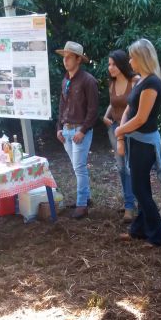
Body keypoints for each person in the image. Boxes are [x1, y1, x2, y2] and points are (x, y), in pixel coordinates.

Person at [114, 39, 161, 247]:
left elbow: (141, 118)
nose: (129, 61)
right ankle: (139, 230)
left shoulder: (152, 83)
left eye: (132, 57)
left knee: (140, 189)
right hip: (136, 141)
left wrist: (120, 130)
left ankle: (158, 236)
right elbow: (129, 109)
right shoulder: (140, 80)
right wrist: (121, 133)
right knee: (140, 187)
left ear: (142, 58)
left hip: (145, 144)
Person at [55, 41, 99, 219]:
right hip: (66, 130)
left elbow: (93, 110)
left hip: (80, 130)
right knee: (77, 167)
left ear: (78, 59)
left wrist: (83, 130)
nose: (65, 60)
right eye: (64, 57)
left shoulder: (88, 80)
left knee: (79, 168)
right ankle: (85, 198)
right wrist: (59, 128)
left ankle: (82, 204)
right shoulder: (65, 79)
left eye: (69, 57)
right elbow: (62, 106)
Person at [103, 50, 138, 223]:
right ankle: (129, 201)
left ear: (122, 64)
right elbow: (113, 102)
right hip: (115, 129)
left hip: (132, 129)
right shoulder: (112, 83)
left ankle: (131, 206)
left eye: (114, 64)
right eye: (109, 64)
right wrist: (105, 115)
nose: (110, 68)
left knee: (130, 167)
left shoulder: (135, 81)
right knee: (121, 167)